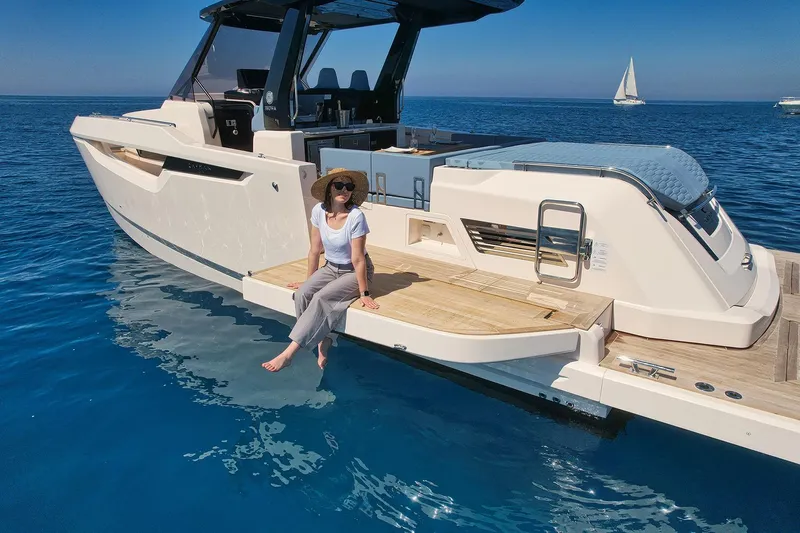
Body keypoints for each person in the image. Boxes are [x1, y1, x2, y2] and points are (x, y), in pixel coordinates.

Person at [262, 168, 379, 372]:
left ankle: (288, 354)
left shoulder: (356, 217)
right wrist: (309, 281)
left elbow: (358, 259)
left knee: (321, 298)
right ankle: (322, 340)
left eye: (349, 186)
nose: (344, 190)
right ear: (329, 189)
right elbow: (315, 251)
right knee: (302, 294)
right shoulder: (318, 211)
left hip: (355, 271)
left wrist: (364, 292)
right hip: (330, 267)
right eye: (339, 185)